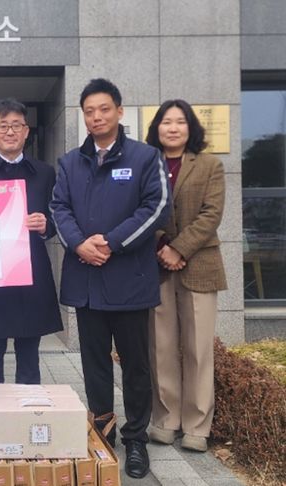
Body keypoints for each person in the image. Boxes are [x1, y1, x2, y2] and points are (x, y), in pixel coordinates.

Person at [50, 78, 170, 479]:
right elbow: (58, 208)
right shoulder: (70, 162)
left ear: (119, 111)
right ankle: (103, 431)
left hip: (129, 280)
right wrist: (79, 244)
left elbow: (157, 207)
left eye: (104, 109)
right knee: (94, 363)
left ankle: (136, 439)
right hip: (86, 281)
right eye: (89, 111)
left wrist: (112, 242)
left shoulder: (145, 156)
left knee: (135, 365)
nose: (96, 117)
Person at [145, 100, 226, 452]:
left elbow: (211, 214)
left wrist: (179, 248)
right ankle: (166, 419)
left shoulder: (210, 165)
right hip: (157, 265)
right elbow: (140, 209)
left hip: (199, 265)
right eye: (166, 122)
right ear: (157, 128)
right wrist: (162, 243)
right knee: (161, 347)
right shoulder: (147, 164)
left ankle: (196, 426)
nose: (173, 128)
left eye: (180, 121)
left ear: (190, 127)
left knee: (198, 350)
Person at [0, 98, 62, 384]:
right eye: (2, 126)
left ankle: (28, 406)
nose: (10, 132)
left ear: (26, 131)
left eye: (16, 125)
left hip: (31, 272)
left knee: (29, 355)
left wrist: (45, 225)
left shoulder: (44, 172)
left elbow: (59, 217)